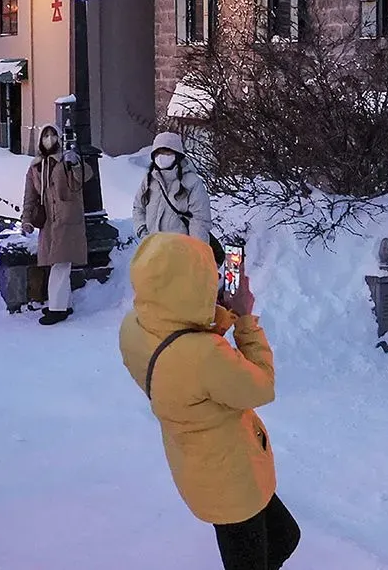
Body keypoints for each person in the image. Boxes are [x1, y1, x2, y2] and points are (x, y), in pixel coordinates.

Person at [119, 233, 298, 570]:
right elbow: (261, 387)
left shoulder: (136, 327)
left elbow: (183, 354)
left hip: (199, 467)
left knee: (284, 537)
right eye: (206, 278)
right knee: (270, 549)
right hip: (230, 481)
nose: (215, 280)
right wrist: (244, 319)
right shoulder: (202, 356)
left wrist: (214, 316)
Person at [21, 125, 93, 326]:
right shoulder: (36, 167)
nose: (49, 138)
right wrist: (26, 219)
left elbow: (84, 176)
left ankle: (57, 308)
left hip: (68, 219)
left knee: (61, 264)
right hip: (49, 221)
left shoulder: (66, 160)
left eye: (53, 134)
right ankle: (63, 303)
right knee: (57, 263)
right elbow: (30, 195)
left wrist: (76, 163)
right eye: (45, 135)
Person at [133, 131, 213, 244]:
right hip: (153, 250)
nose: (161, 157)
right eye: (158, 153)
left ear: (177, 155)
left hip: (180, 252)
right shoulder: (149, 180)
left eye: (167, 152)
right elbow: (138, 208)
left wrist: (196, 251)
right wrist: (143, 232)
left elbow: (199, 221)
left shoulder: (192, 183)